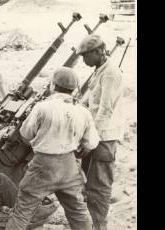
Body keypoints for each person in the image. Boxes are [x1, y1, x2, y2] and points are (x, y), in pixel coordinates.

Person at [5, 67, 100, 230]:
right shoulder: (83, 112)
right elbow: (91, 143)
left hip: (43, 165)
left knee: (22, 212)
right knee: (78, 213)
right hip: (69, 166)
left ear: (53, 85)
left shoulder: (43, 107)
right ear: (74, 89)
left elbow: (25, 134)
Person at [77, 34, 124, 230]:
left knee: (99, 189)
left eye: (86, 56)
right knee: (89, 186)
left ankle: (99, 227)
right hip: (95, 135)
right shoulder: (99, 70)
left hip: (103, 138)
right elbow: (89, 101)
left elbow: (105, 110)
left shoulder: (110, 73)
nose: (84, 60)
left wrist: (90, 138)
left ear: (98, 52)